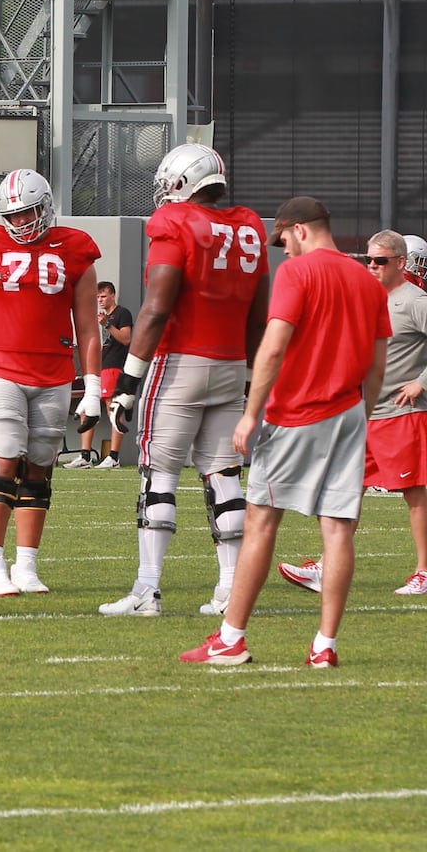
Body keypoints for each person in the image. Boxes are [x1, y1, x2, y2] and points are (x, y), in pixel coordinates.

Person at [180, 197, 389, 668]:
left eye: (283, 240)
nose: (284, 251)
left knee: (260, 521)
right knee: (337, 530)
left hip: (296, 412)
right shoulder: (368, 281)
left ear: (298, 230)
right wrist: (363, 414)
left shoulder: (298, 273)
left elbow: (273, 347)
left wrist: (250, 414)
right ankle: (325, 646)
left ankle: (231, 638)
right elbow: (377, 367)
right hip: (349, 413)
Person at [98, 145, 270, 619]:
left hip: (180, 365)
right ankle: (231, 590)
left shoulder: (175, 224)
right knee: (224, 477)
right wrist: (253, 380)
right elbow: (259, 316)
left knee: (160, 475)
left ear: (181, 182)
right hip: (233, 363)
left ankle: (147, 591)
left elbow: (156, 308)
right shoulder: (251, 226)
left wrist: (129, 382)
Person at [0, 168, 102, 597]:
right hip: (0, 366)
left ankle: (27, 564)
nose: (21, 222)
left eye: (29, 213)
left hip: (54, 371)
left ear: (47, 206)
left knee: (40, 468)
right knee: (4, 460)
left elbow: (89, 327)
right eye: (14, 215)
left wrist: (92, 388)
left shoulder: (76, 249)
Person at [276, 230, 427, 598]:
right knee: (345, 489)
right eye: (369, 260)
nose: (372, 267)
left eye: (381, 261)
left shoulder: (416, 300)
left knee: (416, 493)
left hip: (402, 414)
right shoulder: (367, 297)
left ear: (401, 263)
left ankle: (424, 570)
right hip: (363, 412)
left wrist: (421, 381)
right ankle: (328, 566)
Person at [65, 281, 132, 469]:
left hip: (115, 366)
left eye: (103, 296)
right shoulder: (100, 316)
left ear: (113, 295)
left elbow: (126, 339)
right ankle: (85, 456)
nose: (100, 300)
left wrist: (108, 325)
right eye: (98, 297)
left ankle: (114, 457)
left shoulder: (121, 313)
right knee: (89, 408)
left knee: (114, 409)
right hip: (99, 368)